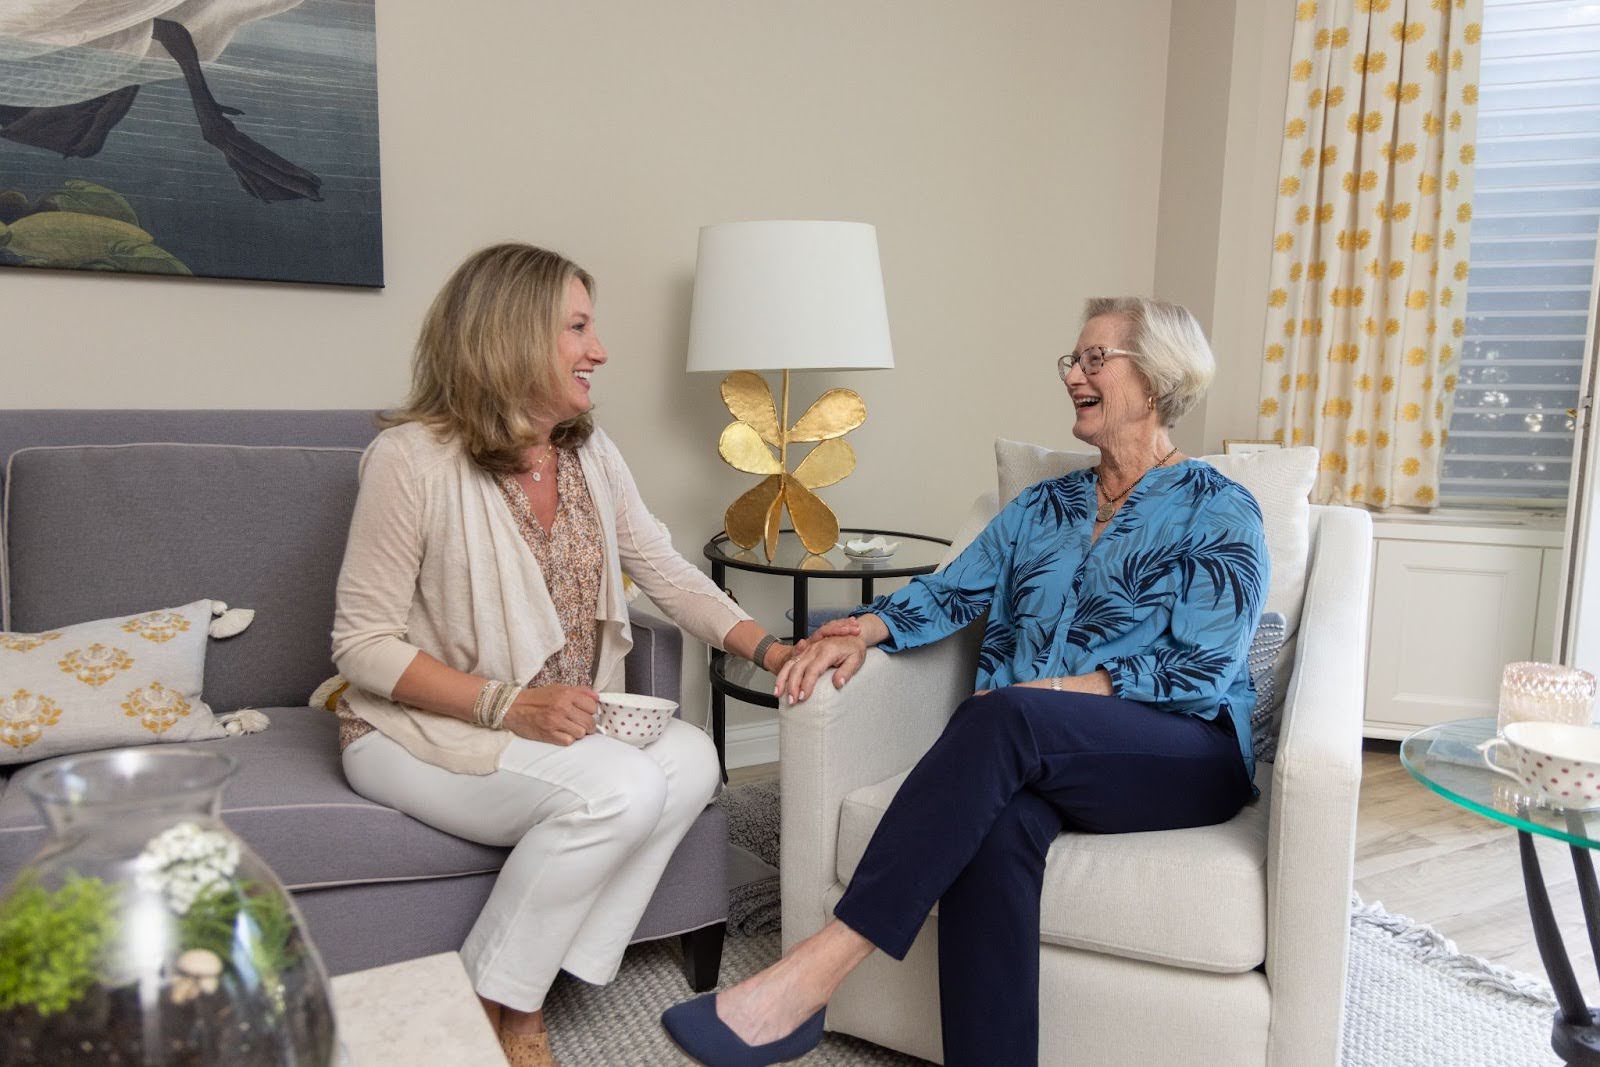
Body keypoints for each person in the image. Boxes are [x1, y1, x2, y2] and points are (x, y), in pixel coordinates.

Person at [661, 297, 1269, 1066]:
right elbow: (950, 591)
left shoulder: (1221, 508)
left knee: (1001, 720)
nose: (1073, 375)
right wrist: (858, 631)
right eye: (1070, 360)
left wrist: (1040, 698)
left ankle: (812, 973)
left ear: (1156, 380)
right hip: (1040, 751)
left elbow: (1199, 672)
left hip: (1186, 751)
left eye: (1094, 359)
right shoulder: (1043, 506)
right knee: (997, 824)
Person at [331, 243, 795, 1067]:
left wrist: (769, 645)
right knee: (621, 787)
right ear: (510, 336)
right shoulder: (410, 460)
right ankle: (493, 1007)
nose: (600, 349)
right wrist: (508, 704)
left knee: (692, 759)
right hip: (416, 733)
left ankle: (536, 977)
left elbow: (662, 568)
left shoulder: (587, 450)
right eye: (577, 327)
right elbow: (360, 645)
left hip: (555, 729)